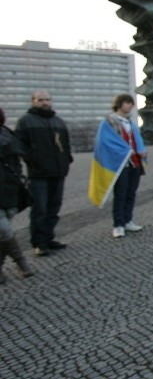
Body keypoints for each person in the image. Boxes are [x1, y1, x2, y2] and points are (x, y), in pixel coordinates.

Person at [15, 90, 73, 256]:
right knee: (40, 209)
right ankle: (39, 242)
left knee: (54, 207)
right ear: (33, 101)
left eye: (47, 99)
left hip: (58, 171)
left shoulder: (58, 122)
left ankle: (49, 238)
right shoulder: (26, 121)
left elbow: (66, 144)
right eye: (41, 100)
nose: (45, 103)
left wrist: (66, 161)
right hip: (38, 173)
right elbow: (20, 145)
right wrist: (31, 160)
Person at [90, 95, 148, 238]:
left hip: (134, 163)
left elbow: (138, 140)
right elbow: (105, 143)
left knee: (131, 193)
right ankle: (118, 225)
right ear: (119, 104)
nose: (130, 106)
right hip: (119, 164)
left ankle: (128, 220)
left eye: (131, 104)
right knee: (120, 194)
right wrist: (126, 151)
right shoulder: (108, 123)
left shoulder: (131, 123)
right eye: (128, 103)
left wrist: (141, 152)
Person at [0, 108, 35, 283]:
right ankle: (22, 263)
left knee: (3, 234)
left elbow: (16, 162)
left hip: (9, 189)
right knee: (4, 231)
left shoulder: (8, 135)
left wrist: (21, 179)